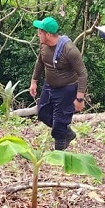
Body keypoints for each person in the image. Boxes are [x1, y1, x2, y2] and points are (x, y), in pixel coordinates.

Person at [29, 16, 88, 150]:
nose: (38, 34)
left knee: (60, 122)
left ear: (48, 34)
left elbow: (82, 73)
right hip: (49, 86)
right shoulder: (43, 45)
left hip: (67, 89)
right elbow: (40, 62)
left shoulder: (69, 50)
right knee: (42, 113)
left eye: (40, 32)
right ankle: (66, 132)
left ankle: (59, 152)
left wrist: (79, 98)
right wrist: (34, 81)